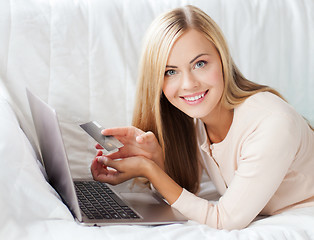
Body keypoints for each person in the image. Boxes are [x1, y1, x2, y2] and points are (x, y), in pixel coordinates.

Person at [90, 5, 314, 230]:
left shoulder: (272, 123)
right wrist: (155, 160)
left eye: (200, 64)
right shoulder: (197, 119)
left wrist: (150, 171)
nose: (189, 84)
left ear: (223, 59)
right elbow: (187, 195)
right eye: (170, 71)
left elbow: (225, 219)